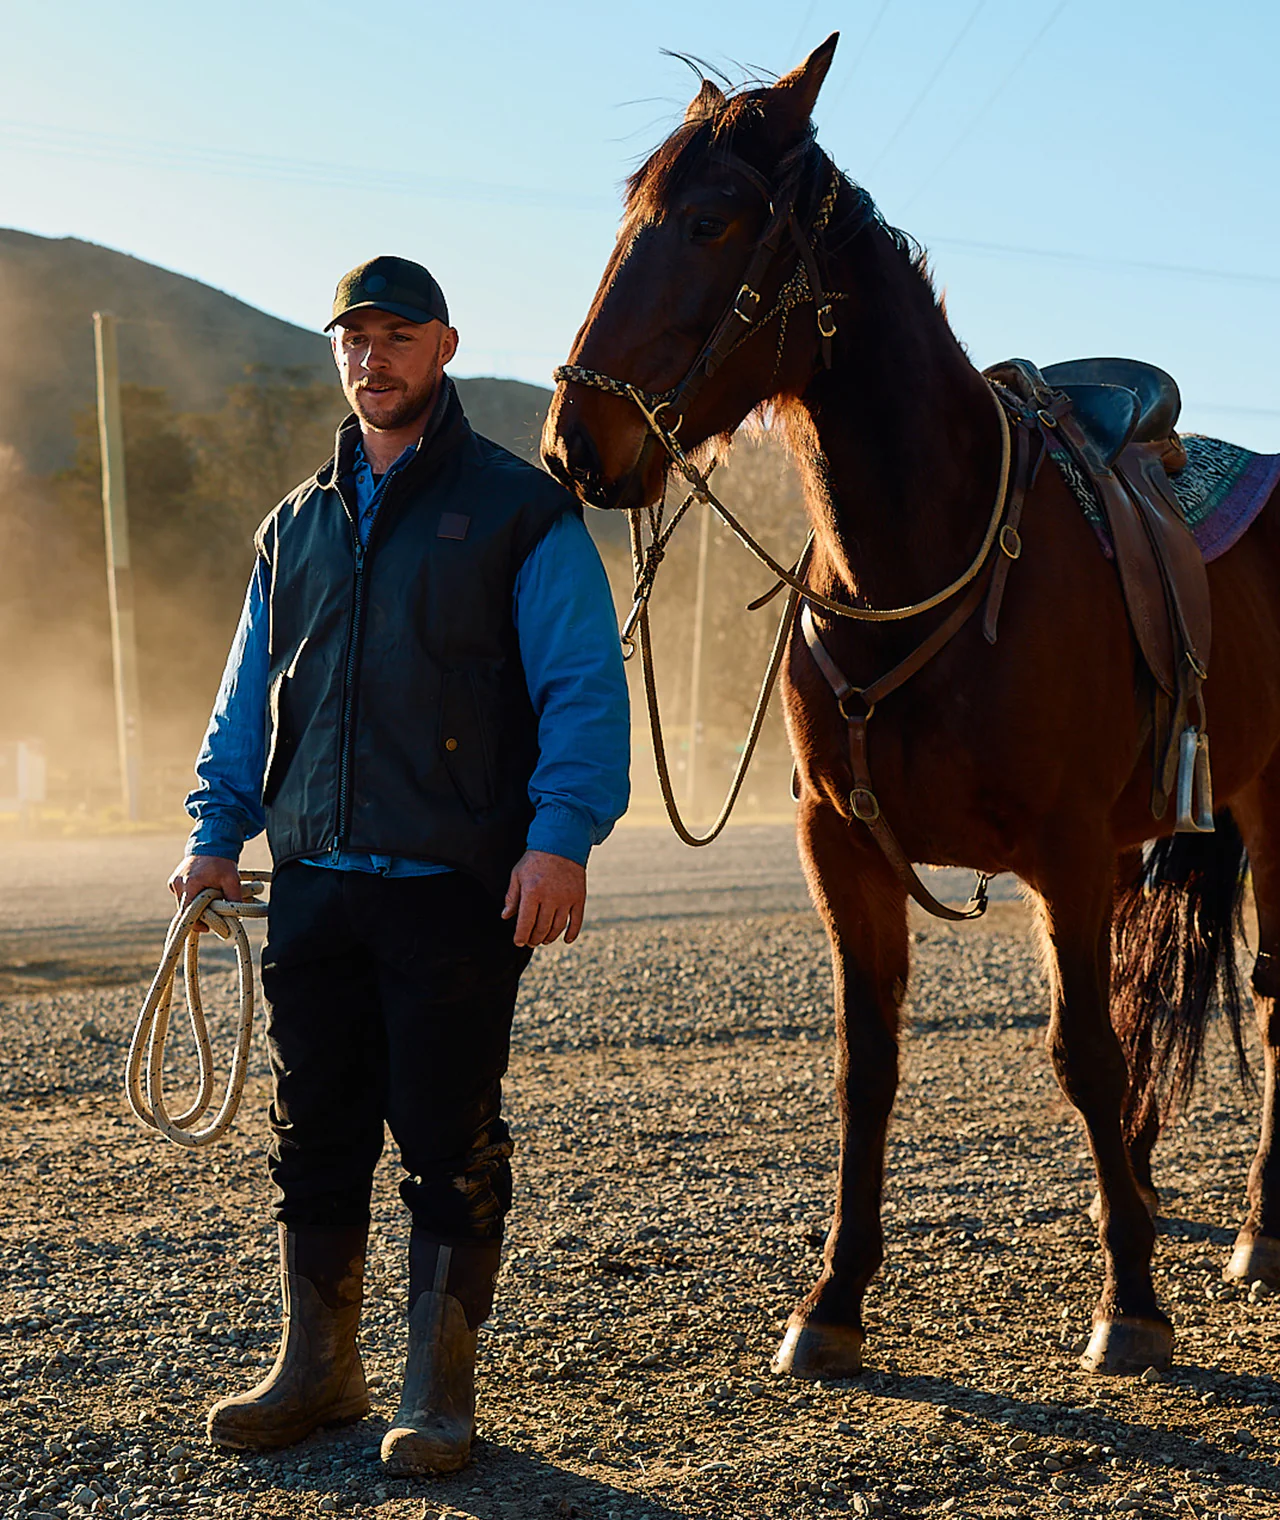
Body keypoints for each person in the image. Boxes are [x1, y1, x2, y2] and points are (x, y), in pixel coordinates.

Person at [167, 255, 629, 1475]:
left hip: (454, 888)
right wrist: (216, 833)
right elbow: (242, 700)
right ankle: (318, 1368)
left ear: (444, 345)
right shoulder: (294, 523)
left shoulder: (521, 509)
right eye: (353, 338)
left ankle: (438, 1391)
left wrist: (558, 835)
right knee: (311, 1127)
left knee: (446, 1130)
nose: (371, 357)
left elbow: (582, 683)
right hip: (314, 877)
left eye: (396, 335)